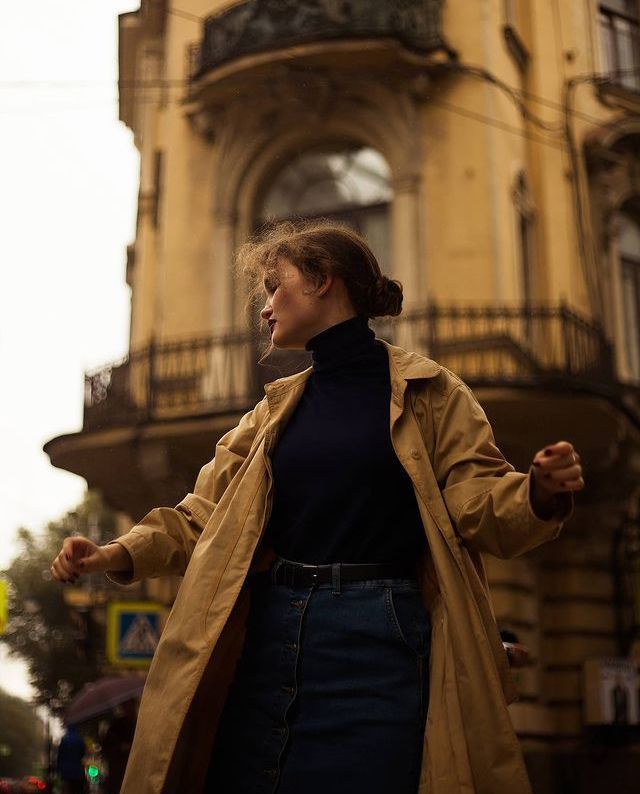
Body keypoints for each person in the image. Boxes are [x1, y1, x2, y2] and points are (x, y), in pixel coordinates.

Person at [51, 219, 583, 794]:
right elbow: (199, 517)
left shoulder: (432, 393)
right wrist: (112, 554)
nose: (265, 308)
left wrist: (538, 493)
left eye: (275, 287)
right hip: (267, 639)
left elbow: (478, 502)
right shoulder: (271, 413)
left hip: (379, 641)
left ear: (324, 282)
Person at [55, 723, 86, 794]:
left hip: (65, 770)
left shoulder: (64, 739)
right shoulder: (80, 739)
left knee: (66, 789)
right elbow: (82, 754)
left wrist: (58, 768)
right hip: (77, 770)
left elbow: (60, 754)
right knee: (76, 789)